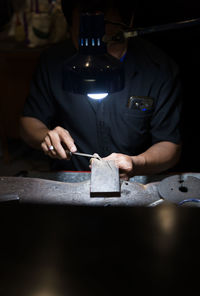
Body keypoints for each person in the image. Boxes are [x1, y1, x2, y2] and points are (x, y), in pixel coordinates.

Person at [20, 0, 182, 181]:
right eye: (84, 41)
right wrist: (46, 137)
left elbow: (170, 146)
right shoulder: (53, 62)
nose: (97, 59)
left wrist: (136, 163)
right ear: (71, 26)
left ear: (128, 24)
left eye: (109, 41)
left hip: (134, 178)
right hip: (74, 176)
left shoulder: (158, 68)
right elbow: (29, 121)